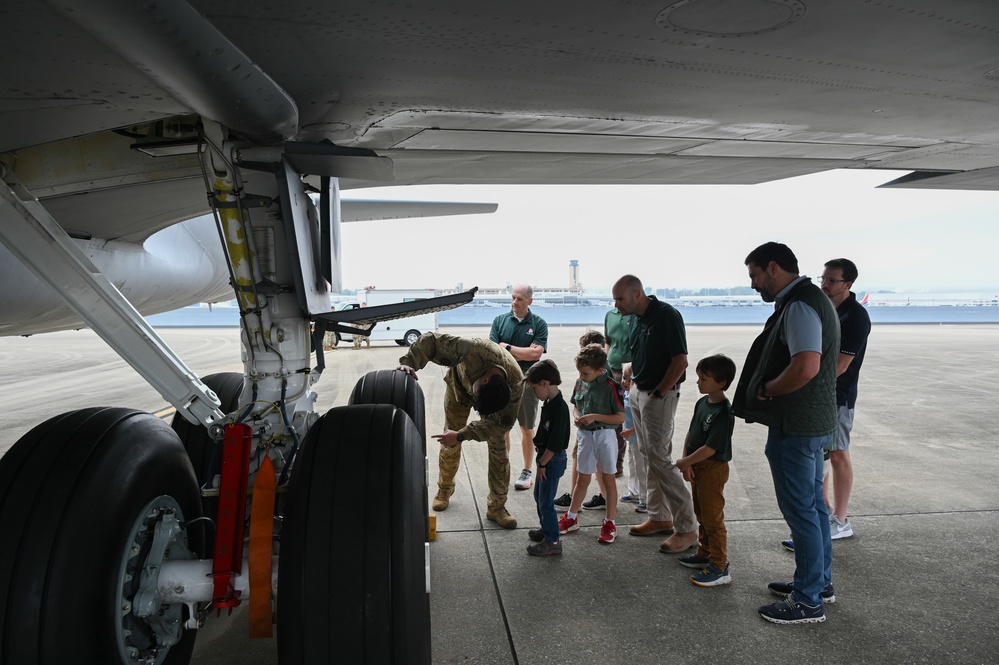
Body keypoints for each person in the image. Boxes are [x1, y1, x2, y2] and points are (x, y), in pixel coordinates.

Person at [732, 242, 840, 624]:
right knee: (813, 506)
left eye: (755, 275)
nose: (753, 284)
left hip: (797, 423)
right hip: (809, 422)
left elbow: (806, 365)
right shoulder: (810, 299)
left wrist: (768, 389)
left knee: (802, 511)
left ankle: (808, 600)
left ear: (773, 268)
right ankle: (818, 582)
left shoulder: (799, 305)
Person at [781, 258, 871, 551]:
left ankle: (841, 521)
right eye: (823, 278)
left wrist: (805, 385)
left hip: (838, 397)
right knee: (818, 458)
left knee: (838, 452)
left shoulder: (856, 316)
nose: (825, 285)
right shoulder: (825, 309)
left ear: (848, 284)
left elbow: (841, 366)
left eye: (832, 280)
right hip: (819, 396)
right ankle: (823, 518)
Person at [397, 332, 522, 529]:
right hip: (457, 389)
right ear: (486, 380)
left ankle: (497, 507)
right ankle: (444, 489)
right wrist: (409, 362)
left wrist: (463, 435)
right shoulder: (473, 349)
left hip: (491, 403)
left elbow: (501, 424)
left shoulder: (515, 386)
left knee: (499, 450)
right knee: (449, 440)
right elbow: (430, 340)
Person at [612, 274, 698, 554]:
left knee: (660, 458)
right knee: (649, 455)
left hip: (659, 395)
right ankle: (659, 517)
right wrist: (635, 384)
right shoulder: (636, 318)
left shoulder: (666, 315)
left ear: (637, 294)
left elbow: (680, 361)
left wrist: (660, 392)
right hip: (640, 391)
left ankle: (687, 527)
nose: (617, 305)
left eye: (620, 299)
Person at [675, 354, 737, 587]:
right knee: (701, 513)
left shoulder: (724, 411)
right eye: (699, 378)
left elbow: (711, 448)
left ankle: (720, 566)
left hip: (713, 468)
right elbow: (692, 434)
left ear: (721, 382)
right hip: (696, 464)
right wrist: (687, 461)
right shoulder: (702, 403)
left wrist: (685, 461)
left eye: (704, 379)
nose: (698, 382)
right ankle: (705, 553)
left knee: (713, 518)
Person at [558, 344, 624, 544]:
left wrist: (595, 416)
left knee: (608, 479)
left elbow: (620, 417)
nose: (582, 375)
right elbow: (576, 406)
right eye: (580, 371)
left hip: (605, 435)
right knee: (582, 479)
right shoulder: (580, 382)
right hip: (585, 435)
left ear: (600, 370)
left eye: (586, 372)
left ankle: (610, 522)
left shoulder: (611, 386)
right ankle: (571, 518)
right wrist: (577, 416)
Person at [490, 284, 548, 492]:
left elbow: (535, 355)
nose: (515, 302)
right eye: (513, 298)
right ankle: (502, 466)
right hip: (503, 381)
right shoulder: (500, 321)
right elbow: (493, 352)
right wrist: (521, 351)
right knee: (503, 426)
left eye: (520, 299)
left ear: (530, 301)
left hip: (527, 382)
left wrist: (506, 347)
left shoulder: (539, 324)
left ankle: (526, 471)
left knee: (527, 428)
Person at [554, 330, 611, 511]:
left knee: (580, 460)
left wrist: (591, 417)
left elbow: (617, 413)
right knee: (598, 465)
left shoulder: (604, 381)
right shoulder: (586, 378)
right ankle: (604, 497)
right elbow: (577, 403)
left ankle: (574, 499)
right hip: (587, 429)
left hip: (597, 430)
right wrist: (577, 414)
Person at [524, 360, 570, 556]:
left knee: (546, 501)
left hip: (551, 460)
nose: (534, 392)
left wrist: (542, 463)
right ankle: (547, 528)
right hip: (545, 459)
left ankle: (553, 541)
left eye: (534, 388)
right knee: (539, 497)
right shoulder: (549, 403)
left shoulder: (559, 408)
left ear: (544, 383)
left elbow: (555, 444)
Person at [604, 306, 634, 476]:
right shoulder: (610, 315)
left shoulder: (636, 316)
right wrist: (604, 363)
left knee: (629, 416)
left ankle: (626, 461)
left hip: (630, 372)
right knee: (615, 417)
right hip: (613, 370)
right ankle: (616, 464)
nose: (617, 302)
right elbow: (608, 341)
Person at [619, 363, 648, 513]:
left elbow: (644, 421)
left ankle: (645, 498)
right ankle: (634, 491)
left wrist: (630, 431)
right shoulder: (626, 394)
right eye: (624, 378)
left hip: (638, 438)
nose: (624, 382)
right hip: (630, 438)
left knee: (641, 467)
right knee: (632, 465)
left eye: (629, 379)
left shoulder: (637, 396)